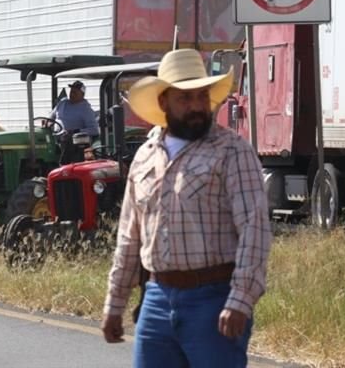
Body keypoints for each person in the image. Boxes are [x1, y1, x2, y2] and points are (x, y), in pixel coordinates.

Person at [101, 49, 271, 368]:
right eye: (185, 98)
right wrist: (115, 303)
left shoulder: (232, 150)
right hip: (156, 298)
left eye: (202, 96)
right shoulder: (145, 156)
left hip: (214, 299)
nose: (196, 106)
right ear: (164, 102)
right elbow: (129, 237)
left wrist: (240, 299)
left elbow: (255, 230)